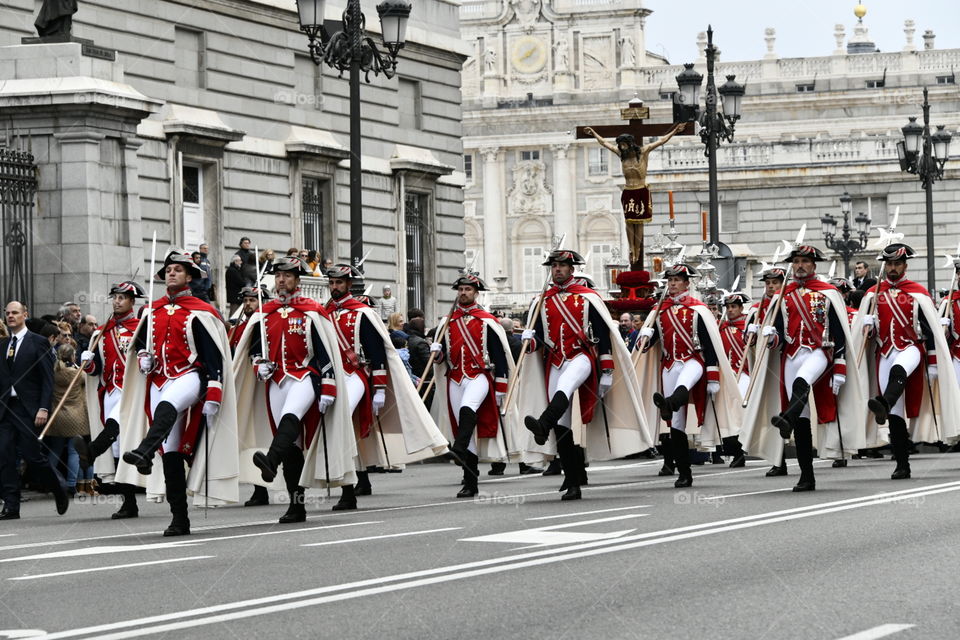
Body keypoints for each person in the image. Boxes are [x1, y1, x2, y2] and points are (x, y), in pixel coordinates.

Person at [117, 251, 240, 536]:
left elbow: (213, 354)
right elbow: (139, 345)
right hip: (159, 379)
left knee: (169, 405)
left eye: (178, 270)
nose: (171, 273)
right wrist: (143, 356)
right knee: (171, 453)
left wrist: (214, 390)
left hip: (190, 376)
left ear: (189, 277)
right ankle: (179, 518)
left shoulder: (201, 310)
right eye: (168, 270)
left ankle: (143, 451)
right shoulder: (151, 309)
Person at [516, 250, 650, 501]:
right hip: (555, 359)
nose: (557, 269)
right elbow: (536, 343)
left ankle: (542, 424)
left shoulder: (588, 298)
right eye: (554, 266)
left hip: (581, 356)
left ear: (571, 269)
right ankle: (572, 479)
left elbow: (602, 334)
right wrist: (527, 340)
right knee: (563, 424)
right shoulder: (541, 301)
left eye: (562, 266)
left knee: (564, 389)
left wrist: (607, 370)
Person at [234, 257, 352, 523]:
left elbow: (324, 351)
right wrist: (257, 365)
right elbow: (253, 349)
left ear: (297, 280)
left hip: (304, 377)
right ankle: (296, 505)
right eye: (278, 276)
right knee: (291, 445)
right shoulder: (265, 313)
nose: (281, 280)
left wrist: (329, 386)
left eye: (287, 276)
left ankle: (270, 462)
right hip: (276, 380)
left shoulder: (311, 311)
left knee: (291, 416)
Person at [740, 244, 865, 492]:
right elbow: (777, 338)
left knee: (801, 382)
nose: (799, 266)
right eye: (796, 261)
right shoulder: (782, 296)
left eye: (805, 261)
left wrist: (839, 365)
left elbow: (838, 331)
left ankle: (786, 417)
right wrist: (769, 333)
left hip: (820, 351)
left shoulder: (828, 293)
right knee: (802, 418)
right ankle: (807, 476)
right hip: (791, 354)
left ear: (813, 265)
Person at [323, 264, 447, 510]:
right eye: (332, 283)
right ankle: (360, 478)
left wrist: (379, 389)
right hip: (333, 376)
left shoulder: (361, 313)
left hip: (358, 373)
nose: (335, 287)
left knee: (342, 421)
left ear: (348, 285)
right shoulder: (324, 313)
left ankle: (348, 489)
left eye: (339, 283)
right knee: (349, 428)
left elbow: (377, 352)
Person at [855, 244, 960, 478]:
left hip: (911, 347)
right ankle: (902, 464)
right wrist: (868, 326)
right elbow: (866, 337)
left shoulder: (917, 293)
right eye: (889, 264)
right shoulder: (873, 294)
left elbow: (931, 330)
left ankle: (883, 402)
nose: (892, 268)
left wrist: (932, 362)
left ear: (905, 266)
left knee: (899, 369)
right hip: (884, 351)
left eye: (897, 264)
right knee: (895, 413)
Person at [635, 264, 742, 488]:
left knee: (684, 383)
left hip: (694, 360)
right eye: (670, 280)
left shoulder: (698, 309)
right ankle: (684, 472)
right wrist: (644, 337)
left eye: (677, 280)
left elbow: (710, 343)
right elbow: (649, 344)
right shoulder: (659, 311)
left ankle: (669, 402)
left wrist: (712, 374)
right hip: (669, 363)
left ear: (687, 283)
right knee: (676, 424)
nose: (672, 284)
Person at [429, 274, 518, 497]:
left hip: (479, 375)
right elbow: (442, 359)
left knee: (467, 409)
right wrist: (437, 354)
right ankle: (470, 480)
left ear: (476, 293)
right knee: (463, 426)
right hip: (455, 377)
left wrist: (501, 388)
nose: (464, 293)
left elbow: (499, 355)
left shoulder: (487, 320)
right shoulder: (447, 321)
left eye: (468, 290)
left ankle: (457, 448)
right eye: (461, 290)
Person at [74, 281, 146, 519]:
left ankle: (91, 451)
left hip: (132, 392)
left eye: (122, 298)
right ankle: (129, 503)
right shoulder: (102, 332)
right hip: (110, 392)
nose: (117, 301)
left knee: (116, 429)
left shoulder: (142, 327)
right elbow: (96, 371)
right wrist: (89, 361)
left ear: (131, 302)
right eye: (114, 297)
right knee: (118, 450)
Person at [0, 301, 69, 519]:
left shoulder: (38, 342)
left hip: (27, 409)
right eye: (7, 313)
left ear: (25, 315)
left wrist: (43, 408)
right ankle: (11, 506)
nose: (11, 316)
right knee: (5, 456)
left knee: (32, 455)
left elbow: (47, 380)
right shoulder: (2, 345)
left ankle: (58, 486)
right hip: (4, 409)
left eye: (15, 313)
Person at [582, 123, 686, 267]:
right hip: (628, 190)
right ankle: (632, 248)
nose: (622, 148)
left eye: (624, 145)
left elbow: (661, 141)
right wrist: (593, 133)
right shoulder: (621, 155)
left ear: (630, 144)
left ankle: (638, 248)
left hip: (640, 189)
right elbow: (605, 143)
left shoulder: (643, 152)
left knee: (639, 221)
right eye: (621, 145)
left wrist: (675, 131)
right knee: (629, 221)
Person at [44, 345, 88, 497]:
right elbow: (87, 378)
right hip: (75, 416)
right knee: (73, 451)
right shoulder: (76, 372)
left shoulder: (54, 372)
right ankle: (71, 484)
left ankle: (50, 482)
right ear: (72, 357)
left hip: (57, 416)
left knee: (55, 451)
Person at [717, 291, 749, 467]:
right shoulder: (720, 328)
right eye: (728, 307)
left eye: (733, 307)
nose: (730, 310)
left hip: (743, 373)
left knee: (739, 412)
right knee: (727, 414)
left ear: (741, 308)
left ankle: (742, 447)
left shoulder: (747, 326)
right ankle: (735, 452)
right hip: (726, 375)